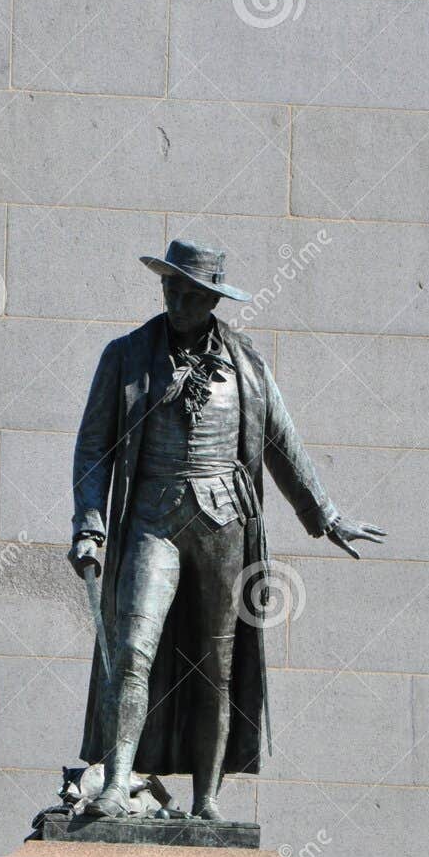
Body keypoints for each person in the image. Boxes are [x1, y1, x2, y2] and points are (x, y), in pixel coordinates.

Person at [68, 239, 385, 820]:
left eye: (190, 292)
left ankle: (206, 799)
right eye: (170, 288)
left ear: (213, 298)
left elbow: (281, 443)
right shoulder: (127, 356)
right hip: (151, 521)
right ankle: (116, 783)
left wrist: (326, 516)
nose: (178, 300)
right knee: (134, 647)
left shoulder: (247, 364)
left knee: (216, 662)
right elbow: (94, 449)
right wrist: (89, 522)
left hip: (224, 523)